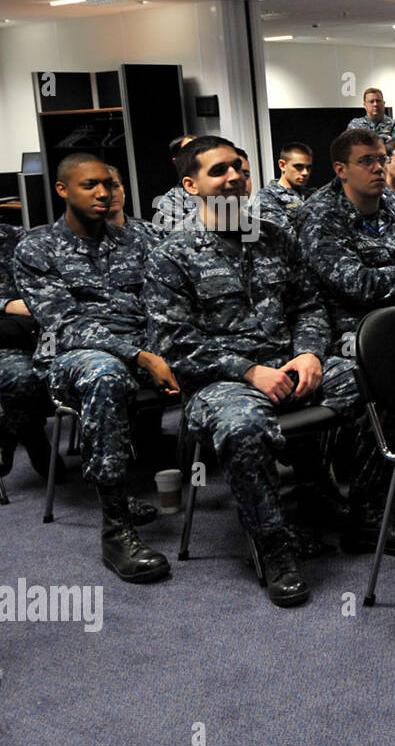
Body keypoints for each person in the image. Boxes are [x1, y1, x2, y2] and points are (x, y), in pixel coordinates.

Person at [145, 136, 359, 606]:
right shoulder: (172, 254)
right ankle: (274, 548)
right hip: (221, 383)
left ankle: (328, 495)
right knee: (244, 425)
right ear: (191, 184)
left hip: (288, 365)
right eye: (219, 171)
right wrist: (247, 371)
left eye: (239, 168)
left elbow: (309, 305)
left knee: (361, 379)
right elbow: (175, 342)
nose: (235, 177)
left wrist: (309, 353)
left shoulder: (274, 237)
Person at [14, 153, 178, 584]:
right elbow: (65, 324)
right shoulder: (36, 248)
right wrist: (140, 356)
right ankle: (116, 527)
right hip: (74, 355)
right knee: (105, 374)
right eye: (90, 185)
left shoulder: (135, 240)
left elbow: (163, 304)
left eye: (107, 183)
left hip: (146, 347)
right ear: (63, 190)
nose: (103, 193)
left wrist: (162, 348)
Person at [295, 127, 395, 554]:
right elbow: (357, 284)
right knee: (378, 376)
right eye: (367, 161)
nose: (379, 168)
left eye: (381, 159)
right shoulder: (320, 215)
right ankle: (368, 515)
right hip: (346, 333)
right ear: (341, 170)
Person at [0, 222, 56, 481]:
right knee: (25, 378)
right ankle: (32, 437)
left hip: (39, 328)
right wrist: (7, 304)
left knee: (69, 367)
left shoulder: (16, 235)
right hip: (6, 340)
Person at [251, 142, 312, 231]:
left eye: (308, 168)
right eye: (298, 167)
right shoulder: (267, 197)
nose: (305, 173)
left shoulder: (312, 194)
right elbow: (282, 237)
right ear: (282, 165)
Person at [154, 134, 197, 232]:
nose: (197, 155)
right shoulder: (171, 202)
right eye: (190, 151)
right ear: (177, 161)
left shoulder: (220, 187)